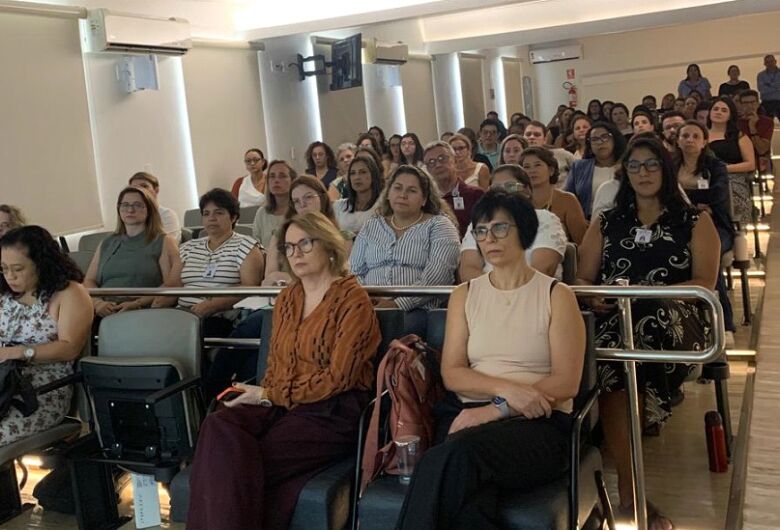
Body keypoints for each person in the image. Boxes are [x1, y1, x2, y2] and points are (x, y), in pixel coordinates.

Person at [395, 189, 585, 530]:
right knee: (468, 500)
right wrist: (506, 393)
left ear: (524, 231)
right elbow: (452, 373)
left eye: (500, 228)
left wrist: (497, 408)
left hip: (538, 424)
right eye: (481, 231)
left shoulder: (557, 295)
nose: (489, 239)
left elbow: (566, 382)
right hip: (467, 414)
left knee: (452, 457)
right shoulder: (464, 295)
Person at [187, 212, 381, 530]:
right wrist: (266, 398)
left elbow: (338, 377)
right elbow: (276, 362)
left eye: (304, 243)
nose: (296, 254)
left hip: (332, 410)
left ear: (329, 245)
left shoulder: (353, 300)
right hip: (279, 402)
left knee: (235, 464)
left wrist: (271, 394)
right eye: (289, 248)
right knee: (218, 426)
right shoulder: (289, 297)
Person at [577, 136, 719, 530]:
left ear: (666, 170)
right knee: (614, 360)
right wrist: (596, 298)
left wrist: (643, 296)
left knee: (641, 314)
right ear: (625, 174)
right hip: (615, 325)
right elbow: (584, 279)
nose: (643, 173)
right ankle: (630, 491)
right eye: (635, 166)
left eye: (651, 165)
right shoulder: (606, 221)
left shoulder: (694, 220)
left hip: (677, 320)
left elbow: (704, 284)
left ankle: (626, 489)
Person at [0, 226, 92, 447]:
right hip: (4, 383)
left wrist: (17, 352)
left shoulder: (69, 293)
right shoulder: (5, 294)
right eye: (3, 269)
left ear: (41, 263)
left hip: (40, 392)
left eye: (18, 269)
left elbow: (70, 347)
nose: (9, 276)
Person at [350, 165, 460, 335]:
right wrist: (367, 300)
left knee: (386, 330)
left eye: (412, 190)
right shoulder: (372, 225)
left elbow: (438, 277)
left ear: (424, 199)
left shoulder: (439, 225)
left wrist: (397, 304)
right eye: (398, 188)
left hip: (418, 310)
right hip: (369, 305)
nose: (402, 195)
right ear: (388, 194)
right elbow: (355, 270)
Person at [154, 188, 264, 337]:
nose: (211, 218)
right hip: (182, 315)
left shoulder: (247, 246)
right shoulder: (188, 247)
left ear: (233, 217)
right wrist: (148, 304)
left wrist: (212, 305)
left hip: (220, 317)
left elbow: (249, 288)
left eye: (219, 213)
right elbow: (173, 285)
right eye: (206, 214)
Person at [675, 119, 737, 345]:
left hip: (715, 225)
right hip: (680, 226)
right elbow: (667, 197)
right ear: (678, 140)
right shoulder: (671, 165)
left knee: (709, 258)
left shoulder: (715, 166)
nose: (689, 140)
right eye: (685, 136)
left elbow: (717, 198)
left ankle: (725, 323)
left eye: (695, 136)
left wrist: (686, 201)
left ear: (704, 142)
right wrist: (695, 204)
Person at [84, 186, 180, 317]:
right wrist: (97, 303)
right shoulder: (107, 242)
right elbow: (89, 281)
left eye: (137, 205)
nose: (130, 209)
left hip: (144, 311)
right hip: (104, 311)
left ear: (149, 210)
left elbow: (170, 286)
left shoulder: (164, 241)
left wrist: (137, 304)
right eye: (125, 205)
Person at [460, 165, 567, 280]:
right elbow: (468, 269)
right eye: (496, 188)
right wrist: (493, 292)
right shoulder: (479, 223)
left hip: (535, 293)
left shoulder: (544, 219)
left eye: (510, 186)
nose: (503, 193)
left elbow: (543, 270)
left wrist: (509, 294)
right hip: (485, 293)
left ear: (527, 191)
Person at [264, 176, 347, 287]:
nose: (302, 204)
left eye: (308, 197)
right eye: (296, 201)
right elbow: (269, 279)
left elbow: (339, 276)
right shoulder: (281, 235)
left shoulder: (342, 237)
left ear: (322, 198)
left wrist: (287, 278)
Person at [521, 147, 588, 245]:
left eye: (537, 165)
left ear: (551, 170)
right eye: (526, 167)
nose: (532, 170)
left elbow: (582, 243)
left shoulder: (568, 200)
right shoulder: (517, 201)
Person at [707, 96, 756, 225]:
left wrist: (724, 169)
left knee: (728, 192)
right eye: (715, 109)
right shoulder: (701, 135)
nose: (718, 112)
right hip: (706, 179)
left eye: (724, 110)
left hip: (733, 178)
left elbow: (750, 164)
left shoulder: (739, 136)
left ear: (730, 115)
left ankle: (736, 230)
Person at [566, 121, 628, 219]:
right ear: (589, 145)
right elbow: (567, 199)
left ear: (614, 140)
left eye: (605, 137)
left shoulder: (627, 167)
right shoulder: (579, 167)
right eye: (594, 139)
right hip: (586, 223)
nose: (600, 142)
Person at [423, 141, 484, 239]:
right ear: (428, 169)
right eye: (431, 162)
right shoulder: (425, 200)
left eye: (442, 158)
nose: (438, 165)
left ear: (455, 161)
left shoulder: (475, 195)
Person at [252, 160, 295, 249]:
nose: (276, 180)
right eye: (272, 176)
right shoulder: (262, 212)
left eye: (282, 176)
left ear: (292, 181)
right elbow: (256, 246)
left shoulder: (300, 209)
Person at [333, 156, 382, 234]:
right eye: (352, 173)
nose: (357, 177)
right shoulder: (339, 205)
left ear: (373, 175)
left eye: (363, 172)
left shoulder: (382, 205)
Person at [129, 171, 182, 242]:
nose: (139, 190)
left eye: (144, 186)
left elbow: (165, 245)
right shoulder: (130, 214)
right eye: (135, 188)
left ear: (156, 190)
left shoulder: (167, 215)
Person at [738, 90, 775, 174]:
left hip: (761, 163)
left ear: (758, 103)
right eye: (745, 103)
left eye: (752, 102)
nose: (749, 106)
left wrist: (752, 127)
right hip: (741, 163)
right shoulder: (736, 123)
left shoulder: (767, 122)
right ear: (740, 105)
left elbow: (762, 149)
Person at [757, 54, 780, 121]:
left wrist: (769, 85)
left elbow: (766, 89)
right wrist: (776, 87)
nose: (769, 63)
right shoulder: (761, 75)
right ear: (764, 63)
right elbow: (762, 89)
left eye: (771, 61)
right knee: (766, 125)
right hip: (767, 103)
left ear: (775, 61)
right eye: (767, 62)